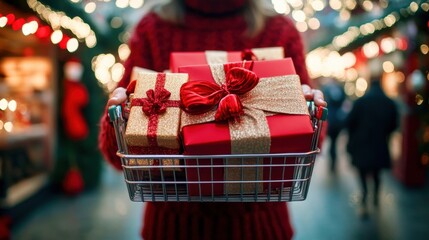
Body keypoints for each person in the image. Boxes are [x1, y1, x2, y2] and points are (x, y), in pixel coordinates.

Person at [98, 0, 327, 239]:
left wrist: (311, 114)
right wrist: (119, 123)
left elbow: (311, 141)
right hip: (172, 227)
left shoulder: (279, 30)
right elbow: (119, 155)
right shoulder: (154, 29)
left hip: (260, 227)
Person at [345, 74, 398, 218]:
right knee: (377, 172)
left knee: (362, 171)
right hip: (380, 144)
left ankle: (364, 194)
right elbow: (394, 125)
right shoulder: (389, 102)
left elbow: (349, 122)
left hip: (361, 144)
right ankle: (375, 195)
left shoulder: (361, 102)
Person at [321, 78, 347, 172]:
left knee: (332, 142)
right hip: (337, 120)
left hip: (330, 121)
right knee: (334, 142)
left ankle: (332, 159)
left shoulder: (326, 90)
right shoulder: (341, 90)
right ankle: (333, 159)